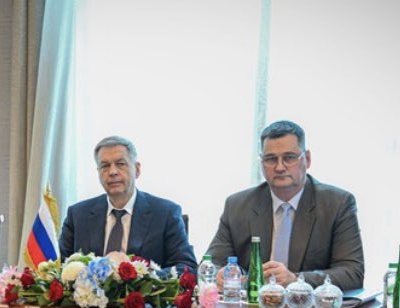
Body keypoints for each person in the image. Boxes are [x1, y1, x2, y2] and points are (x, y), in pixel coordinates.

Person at [206, 120, 365, 289]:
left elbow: (352, 273)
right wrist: (219, 274)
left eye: (289, 158)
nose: (280, 167)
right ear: (261, 163)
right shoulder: (237, 206)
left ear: (307, 159)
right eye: (271, 159)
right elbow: (211, 262)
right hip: (254, 304)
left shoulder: (337, 204)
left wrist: (296, 280)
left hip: (308, 305)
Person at [59, 135, 198, 272]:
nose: (112, 172)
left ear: (137, 169)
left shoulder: (165, 213)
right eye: (105, 166)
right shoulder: (77, 215)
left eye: (120, 164)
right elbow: (58, 265)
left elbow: (186, 266)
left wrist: (144, 279)